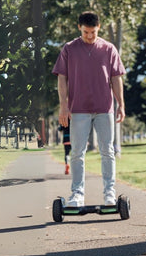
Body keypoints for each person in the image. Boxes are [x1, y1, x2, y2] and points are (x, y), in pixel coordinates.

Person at [52, 11, 126, 207]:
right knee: (77, 152)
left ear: (98, 28)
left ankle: (110, 193)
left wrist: (121, 105)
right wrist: (63, 106)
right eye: (86, 32)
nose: (90, 36)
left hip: (104, 108)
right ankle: (77, 195)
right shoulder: (69, 49)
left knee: (107, 151)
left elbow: (116, 78)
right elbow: (61, 78)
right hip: (78, 110)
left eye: (93, 32)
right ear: (79, 28)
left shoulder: (109, 49)